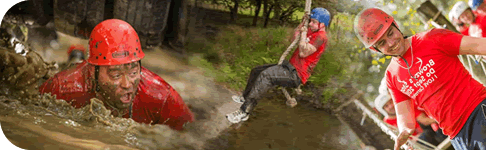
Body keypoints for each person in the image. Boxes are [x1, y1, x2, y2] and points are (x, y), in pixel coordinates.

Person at [354, 7, 486, 150]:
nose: (391, 43)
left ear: (396, 26)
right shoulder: (392, 76)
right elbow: (404, 115)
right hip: (455, 135)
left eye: (390, 34)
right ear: (375, 49)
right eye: (382, 43)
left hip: (479, 111)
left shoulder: (431, 39)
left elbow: (475, 45)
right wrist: (404, 132)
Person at [38, 19, 195, 131]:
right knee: (73, 64)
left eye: (133, 72)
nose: (127, 84)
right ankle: (76, 55)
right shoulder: (62, 87)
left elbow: (190, 137)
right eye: (116, 75)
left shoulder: (162, 97)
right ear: (93, 72)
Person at [226, 7, 331, 124]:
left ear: (322, 24)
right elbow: (294, 39)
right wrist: (302, 25)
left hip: (297, 74)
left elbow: (303, 52)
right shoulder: (311, 30)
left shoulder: (321, 37)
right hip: (289, 67)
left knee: (266, 76)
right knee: (256, 71)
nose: (310, 24)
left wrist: (304, 32)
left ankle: (244, 112)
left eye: (314, 22)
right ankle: (245, 98)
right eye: (310, 21)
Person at [374, 76, 448, 146]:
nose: (390, 106)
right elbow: (423, 120)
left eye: (390, 102)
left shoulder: (410, 96)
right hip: (435, 127)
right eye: (390, 92)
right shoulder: (404, 106)